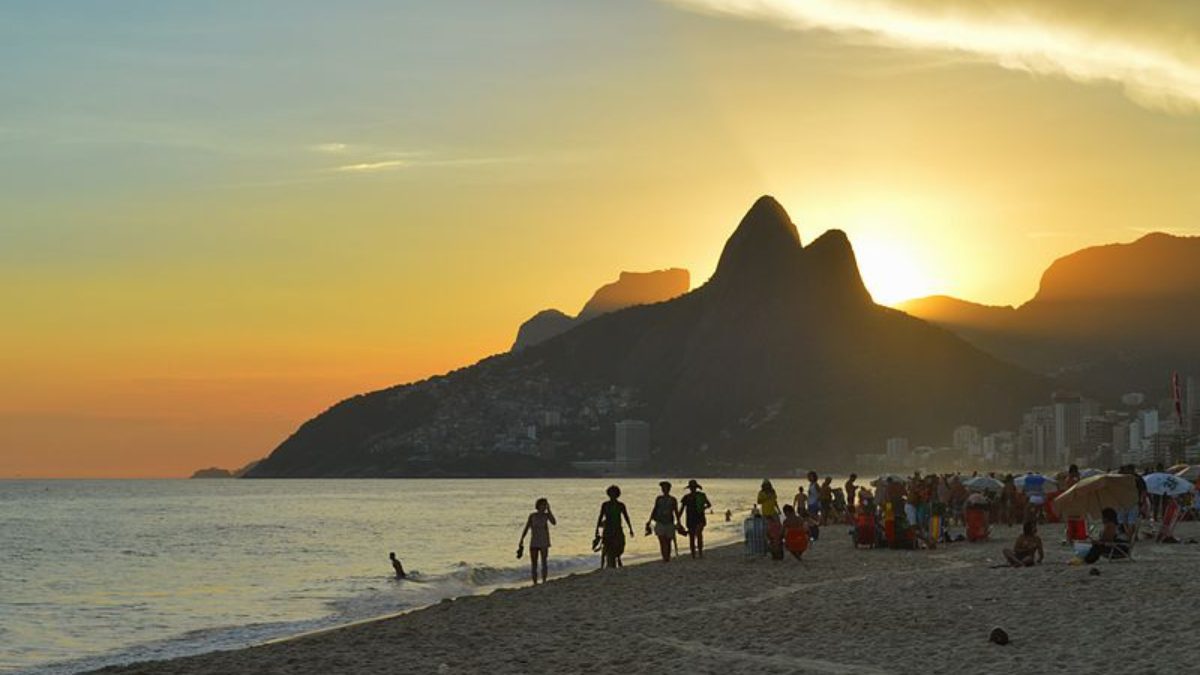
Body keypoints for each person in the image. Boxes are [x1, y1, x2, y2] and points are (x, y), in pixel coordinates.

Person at [518, 497, 557, 585]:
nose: (543, 507)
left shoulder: (546, 516)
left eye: (545, 505)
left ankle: (544, 581)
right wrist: (521, 539)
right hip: (534, 541)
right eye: (542, 505)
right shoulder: (532, 516)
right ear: (538, 506)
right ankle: (535, 582)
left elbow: (554, 522)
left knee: (544, 562)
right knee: (534, 563)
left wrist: (549, 510)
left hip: (544, 542)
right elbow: (526, 528)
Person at [596, 485, 634, 569]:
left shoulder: (621, 505)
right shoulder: (605, 505)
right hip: (608, 530)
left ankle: (617, 558)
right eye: (611, 493)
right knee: (608, 548)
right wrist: (596, 530)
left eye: (614, 493)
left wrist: (630, 529)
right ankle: (609, 565)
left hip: (618, 529)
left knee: (620, 546)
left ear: (617, 494)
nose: (612, 495)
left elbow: (626, 517)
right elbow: (600, 517)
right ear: (608, 494)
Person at [646, 481, 680, 562]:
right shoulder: (659, 499)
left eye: (665, 488)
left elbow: (676, 511)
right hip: (660, 522)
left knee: (668, 542)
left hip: (669, 523)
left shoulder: (673, 499)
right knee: (662, 541)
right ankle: (664, 557)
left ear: (669, 489)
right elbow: (655, 509)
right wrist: (650, 520)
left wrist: (679, 522)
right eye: (663, 488)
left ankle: (667, 557)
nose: (664, 490)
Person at [680, 479, 712, 558]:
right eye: (691, 487)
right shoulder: (686, 497)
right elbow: (681, 509)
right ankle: (693, 554)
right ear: (690, 488)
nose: (692, 488)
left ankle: (700, 552)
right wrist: (678, 519)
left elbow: (709, 504)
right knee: (691, 536)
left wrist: (703, 508)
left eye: (693, 487)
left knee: (698, 534)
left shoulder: (701, 495)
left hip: (700, 518)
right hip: (690, 519)